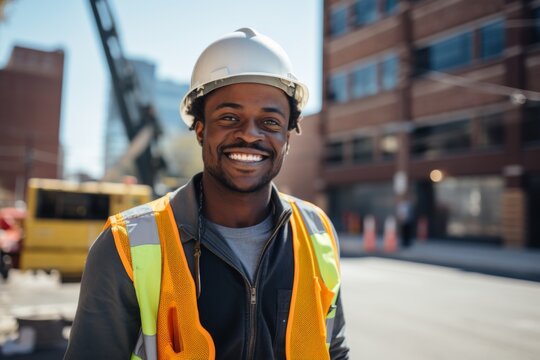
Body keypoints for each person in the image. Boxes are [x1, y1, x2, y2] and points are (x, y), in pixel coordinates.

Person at [65, 28, 349, 360]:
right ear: (201, 130)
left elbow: (333, 350)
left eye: (270, 122)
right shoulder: (127, 245)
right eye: (229, 117)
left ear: (288, 136)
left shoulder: (318, 233)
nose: (249, 135)